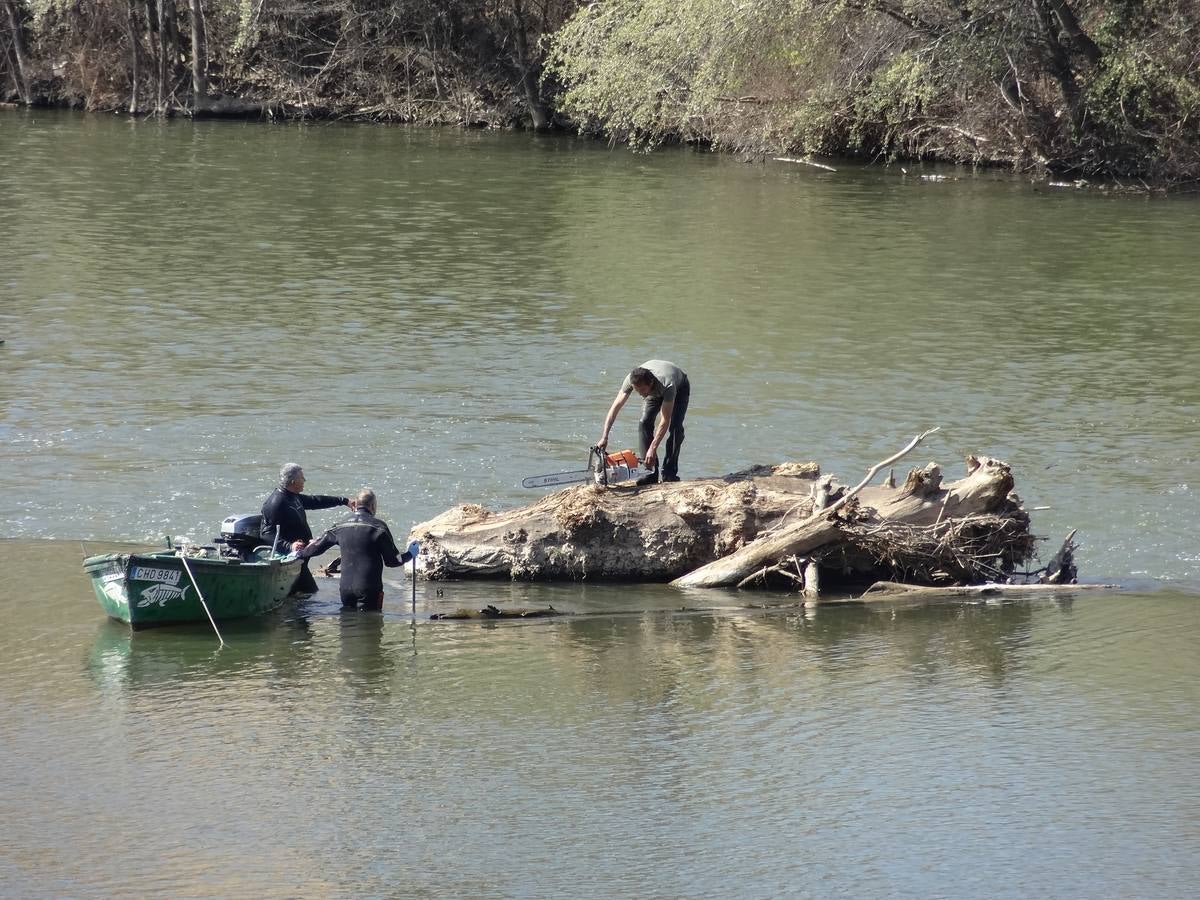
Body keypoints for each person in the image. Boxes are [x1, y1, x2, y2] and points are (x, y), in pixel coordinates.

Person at [297, 488, 419, 610]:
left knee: (347, 625)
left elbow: (316, 548)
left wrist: (298, 553)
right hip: (369, 590)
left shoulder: (340, 526)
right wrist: (410, 554)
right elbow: (393, 561)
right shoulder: (378, 527)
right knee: (370, 625)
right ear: (372, 506)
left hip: (345, 589)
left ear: (355, 504)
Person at [261, 462, 351, 594]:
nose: (305, 480)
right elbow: (266, 533)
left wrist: (343, 501)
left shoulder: (293, 497)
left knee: (307, 596)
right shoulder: (276, 503)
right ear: (293, 482)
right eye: (302, 478)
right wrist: (289, 546)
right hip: (292, 564)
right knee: (310, 593)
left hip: (301, 561)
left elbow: (316, 501)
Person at [597, 359, 691, 485]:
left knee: (675, 429)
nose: (640, 394)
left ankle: (669, 472)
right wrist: (605, 436)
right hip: (654, 392)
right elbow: (615, 408)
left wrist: (653, 447)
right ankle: (650, 473)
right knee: (644, 423)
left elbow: (665, 420)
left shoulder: (667, 384)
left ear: (651, 383)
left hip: (679, 388)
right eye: (637, 391)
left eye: (642, 390)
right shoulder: (631, 380)